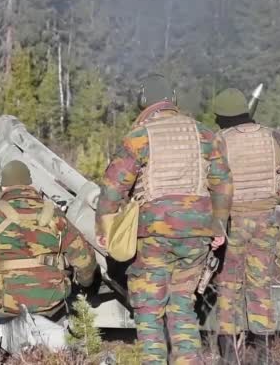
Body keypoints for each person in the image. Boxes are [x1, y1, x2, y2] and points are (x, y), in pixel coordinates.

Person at [96, 85, 233, 365]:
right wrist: (218, 226)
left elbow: (113, 189)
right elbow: (222, 185)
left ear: (145, 103)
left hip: (153, 236)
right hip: (197, 235)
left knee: (149, 310)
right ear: (172, 101)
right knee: (182, 305)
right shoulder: (205, 134)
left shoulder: (139, 136)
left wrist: (105, 228)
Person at [0, 160, 98, 365]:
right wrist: (83, 284)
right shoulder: (53, 214)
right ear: (29, 183)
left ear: (4, 186)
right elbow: (86, 260)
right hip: (51, 298)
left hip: (4, 298)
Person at [212, 87, 280, 364]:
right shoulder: (272, 137)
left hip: (233, 223)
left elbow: (215, 185)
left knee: (229, 286)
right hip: (266, 222)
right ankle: (263, 355)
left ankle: (229, 356)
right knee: (260, 286)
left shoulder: (221, 140)